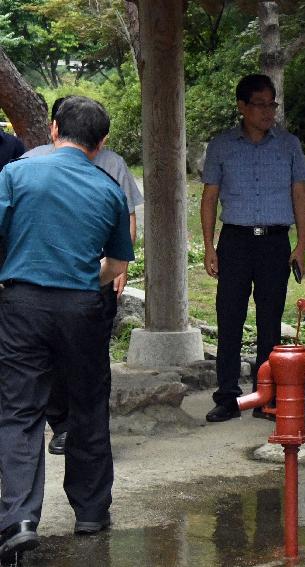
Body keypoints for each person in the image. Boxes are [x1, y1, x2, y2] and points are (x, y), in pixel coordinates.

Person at [0, 96, 134, 563]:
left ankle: (18, 519)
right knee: (88, 404)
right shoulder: (109, 189)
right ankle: (91, 511)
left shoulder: (16, 174)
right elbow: (116, 264)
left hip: (21, 303)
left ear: (54, 129)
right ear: (101, 144)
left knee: (20, 411)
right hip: (81, 307)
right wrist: (79, 274)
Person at [22, 96, 144, 456]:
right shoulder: (29, 164)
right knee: (50, 364)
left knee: (89, 362)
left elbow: (127, 223)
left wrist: (114, 270)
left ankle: (88, 429)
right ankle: (62, 425)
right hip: (75, 282)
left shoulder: (111, 169)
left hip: (79, 284)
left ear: (55, 128)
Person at [201, 73, 305, 422]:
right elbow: (210, 197)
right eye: (260, 105)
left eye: (271, 104)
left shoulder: (288, 144)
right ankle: (227, 396)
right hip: (234, 239)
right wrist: (208, 246)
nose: (267, 112)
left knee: (270, 319)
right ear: (242, 107)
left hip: (276, 241)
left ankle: (267, 396)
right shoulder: (221, 145)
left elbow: (299, 193)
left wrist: (301, 243)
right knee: (229, 316)